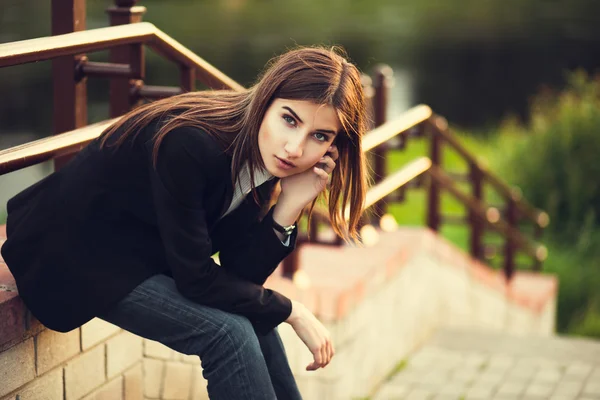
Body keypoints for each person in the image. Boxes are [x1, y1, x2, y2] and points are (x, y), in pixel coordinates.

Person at [1, 46, 368, 399]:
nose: (295, 148)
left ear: (334, 147)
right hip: (72, 252)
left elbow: (240, 276)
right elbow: (196, 279)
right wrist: (293, 310)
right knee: (229, 334)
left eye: (319, 136)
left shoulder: (267, 155)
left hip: (141, 253)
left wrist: (288, 205)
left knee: (257, 321)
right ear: (265, 101)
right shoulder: (192, 143)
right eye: (289, 120)